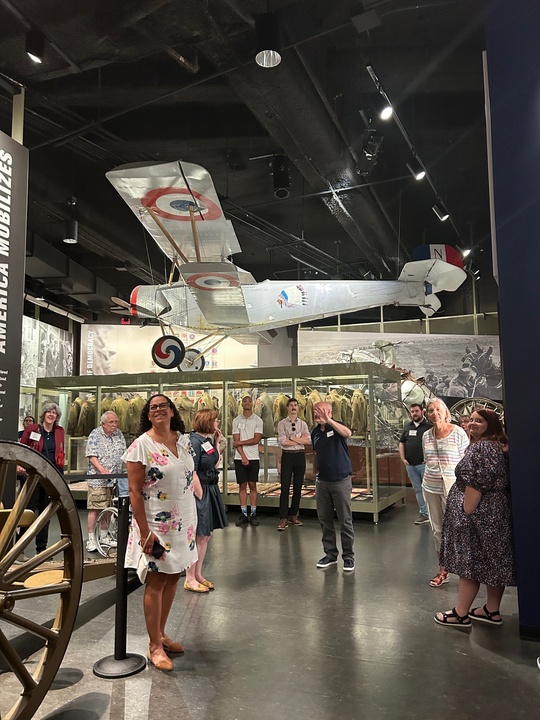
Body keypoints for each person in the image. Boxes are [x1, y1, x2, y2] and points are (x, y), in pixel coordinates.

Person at [124, 394, 203, 672]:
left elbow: (188, 475)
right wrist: (145, 531)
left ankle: (162, 633)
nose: (158, 410)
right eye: (153, 407)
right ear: (148, 414)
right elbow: (134, 490)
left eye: (163, 406)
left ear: (172, 411)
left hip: (184, 522)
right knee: (156, 582)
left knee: (172, 579)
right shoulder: (140, 446)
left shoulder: (182, 440)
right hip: (156, 525)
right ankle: (153, 645)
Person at [435, 409, 515, 628]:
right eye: (470, 420)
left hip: (479, 515)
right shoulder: (500, 444)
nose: (472, 424)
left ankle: (460, 614)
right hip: (496, 512)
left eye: (479, 421)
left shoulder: (481, 447)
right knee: (493, 561)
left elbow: (476, 483)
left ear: (491, 424)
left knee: (470, 563)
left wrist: (466, 511)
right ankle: (491, 610)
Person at [422, 398, 469, 587]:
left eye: (438, 409)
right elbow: (427, 460)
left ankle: (466, 568)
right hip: (430, 486)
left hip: (454, 488)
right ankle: (443, 569)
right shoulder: (426, 435)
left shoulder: (458, 433)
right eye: (431, 410)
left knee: (458, 527)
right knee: (437, 529)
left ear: (445, 411)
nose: (435, 413)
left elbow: (466, 462)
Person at [184, 409, 228, 592]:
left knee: (205, 535)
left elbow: (214, 463)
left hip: (210, 489)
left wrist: (217, 443)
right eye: (215, 421)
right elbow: (191, 471)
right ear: (207, 421)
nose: (217, 424)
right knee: (197, 534)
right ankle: (189, 577)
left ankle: (198, 574)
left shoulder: (207, 441)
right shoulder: (193, 442)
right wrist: (200, 495)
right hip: (200, 490)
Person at [311, 401, 355, 571]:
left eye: (319, 411)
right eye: (314, 411)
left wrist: (328, 421)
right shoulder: (315, 432)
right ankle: (330, 554)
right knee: (325, 520)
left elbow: (348, 433)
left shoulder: (338, 426)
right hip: (322, 482)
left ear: (328, 411)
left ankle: (349, 557)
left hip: (341, 481)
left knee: (345, 520)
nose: (316, 414)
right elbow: (317, 452)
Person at [20, 403, 65, 555]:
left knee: (46, 513)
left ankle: (41, 549)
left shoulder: (59, 431)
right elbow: (22, 448)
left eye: (54, 413)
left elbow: (60, 452)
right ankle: (20, 549)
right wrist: (21, 466)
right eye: (49, 412)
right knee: (28, 511)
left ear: (57, 417)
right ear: (43, 414)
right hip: (33, 474)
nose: (51, 415)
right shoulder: (32, 429)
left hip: (50, 476)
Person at [85, 411, 126, 552]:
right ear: (103, 423)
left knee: (108, 508)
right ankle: (91, 539)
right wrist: (102, 470)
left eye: (116, 422)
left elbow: (124, 453)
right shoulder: (95, 435)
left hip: (114, 479)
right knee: (95, 508)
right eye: (111, 422)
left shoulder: (119, 434)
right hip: (98, 480)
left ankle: (104, 537)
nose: (114, 425)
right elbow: (91, 455)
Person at [276, 397, 311, 531]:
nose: (293, 407)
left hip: (299, 456)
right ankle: (283, 517)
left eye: (295, 405)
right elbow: (283, 442)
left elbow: (307, 440)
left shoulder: (303, 423)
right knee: (285, 487)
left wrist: (292, 438)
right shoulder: (282, 424)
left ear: (298, 407)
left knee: (298, 486)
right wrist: (298, 439)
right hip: (288, 457)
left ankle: (293, 514)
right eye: (291, 405)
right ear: (287, 407)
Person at [233, 395, 264, 526]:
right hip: (240, 458)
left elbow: (256, 439)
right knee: (242, 486)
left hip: (254, 457)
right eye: (244, 401)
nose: (247, 402)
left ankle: (254, 513)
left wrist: (241, 442)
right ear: (241, 404)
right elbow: (235, 441)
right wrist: (243, 456)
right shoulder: (236, 420)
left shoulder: (258, 420)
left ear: (252, 403)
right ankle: (243, 513)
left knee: (252, 485)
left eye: (249, 401)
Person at [399, 404, 432, 525]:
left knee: (428, 490)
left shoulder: (429, 427)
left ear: (422, 412)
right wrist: (403, 458)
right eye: (412, 411)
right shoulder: (407, 427)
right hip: (411, 465)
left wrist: (429, 458)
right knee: (418, 490)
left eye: (416, 411)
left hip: (424, 465)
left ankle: (433, 513)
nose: (414, 413)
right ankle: (424, 514)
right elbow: (402, 443)